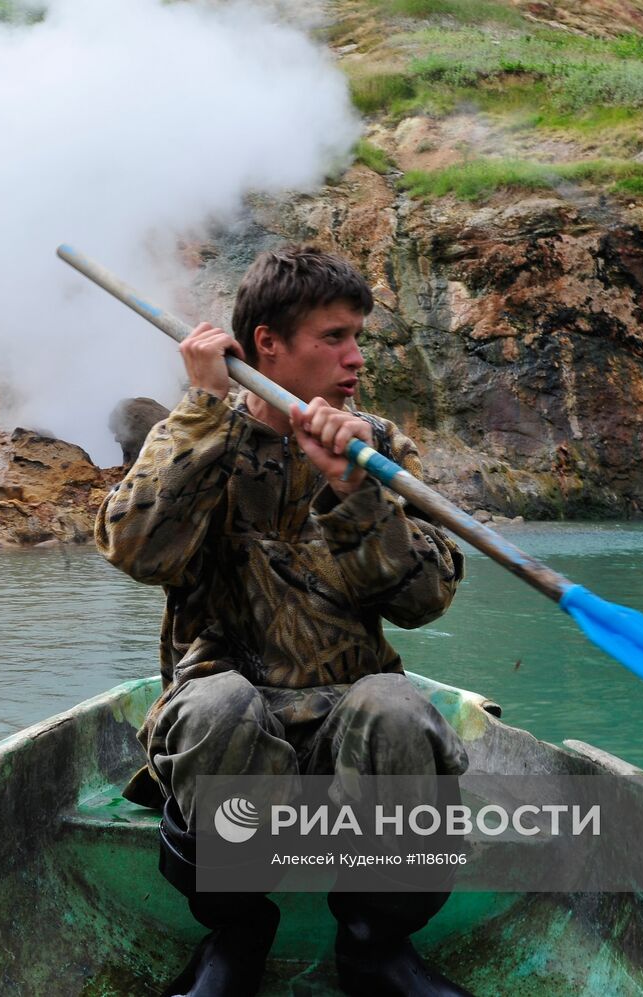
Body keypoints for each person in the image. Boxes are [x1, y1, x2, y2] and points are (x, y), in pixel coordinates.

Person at [95, 245, 471, 997]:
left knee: (399, 707)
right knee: (213, 704)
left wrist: (352, 488)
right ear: (267, 342)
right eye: (334, 337)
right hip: (235, 717)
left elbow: (425, 599)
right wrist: (200, 411)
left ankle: (374, 949)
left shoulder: (377, 446)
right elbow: (135, 548)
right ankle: (237, 933)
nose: (354, 356)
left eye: (357, 336)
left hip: (348, 715)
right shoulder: (203, 435)